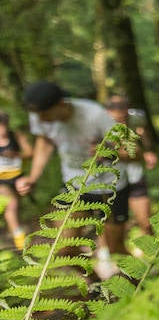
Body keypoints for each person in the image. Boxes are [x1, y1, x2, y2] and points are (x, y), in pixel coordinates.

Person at [16, 80, 133, 266]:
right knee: (65, 249)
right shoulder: (39, 116)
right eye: (37, 115)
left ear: (61, 103)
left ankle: (142, 286)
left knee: (115, 249)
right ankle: (94, 286)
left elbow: (133, 152)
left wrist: (109, 152)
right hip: (74, 185)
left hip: (111, 187)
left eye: (44, 114)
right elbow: (45, 141)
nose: (40, 120)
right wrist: (33, 177)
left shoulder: (95, 115)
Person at [104, 94, 157, 241]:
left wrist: (148, 150)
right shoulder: (99, 124)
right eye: (117, 117)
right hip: (110, 180)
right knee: (108, 222)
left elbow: (142, 131)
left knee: (146, 221)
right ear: (108, 112)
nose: (122, 120)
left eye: (124, 115)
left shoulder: (136, 116)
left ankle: (151, 252)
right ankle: (106, 254)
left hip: (134, 175)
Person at [0, 110, 34, 250]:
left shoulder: (16, 136)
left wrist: (16, 155)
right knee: (11, 204)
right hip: (1, 179)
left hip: (17, 176)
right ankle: (20, 242)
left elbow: (30, 153)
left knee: (16, 208)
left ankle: (14, 233)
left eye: (3, 126)